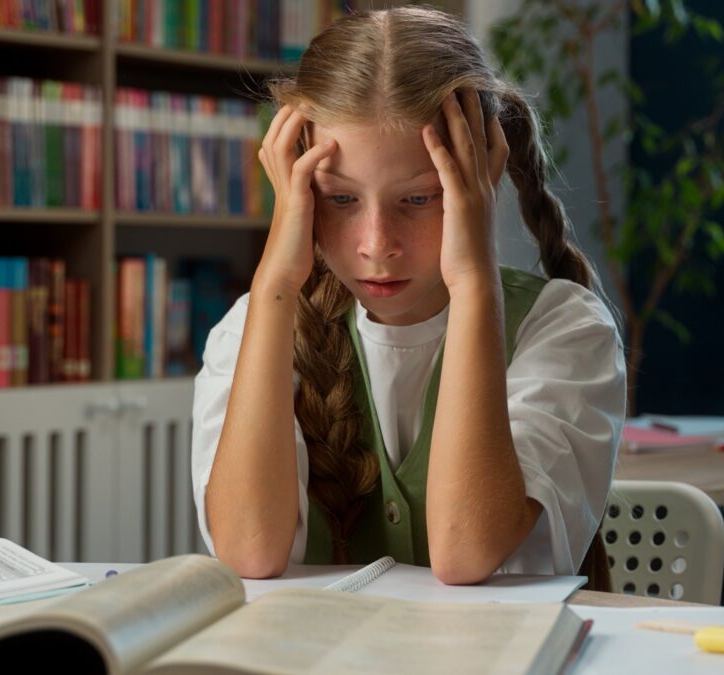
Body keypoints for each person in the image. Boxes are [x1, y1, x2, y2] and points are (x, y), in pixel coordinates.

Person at [191, 6, 626, 586]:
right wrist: (273, 282)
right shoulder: (252, 331)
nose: (377, 244)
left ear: (480, 178)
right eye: (340, 199)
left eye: (419, 199)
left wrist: (472, 280)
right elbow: (247, 553)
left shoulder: (565, 329)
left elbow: (466, 552)